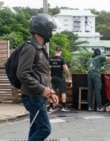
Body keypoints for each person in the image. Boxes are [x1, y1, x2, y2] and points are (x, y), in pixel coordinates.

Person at [17, 13, 59, 141]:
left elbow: (43, 73)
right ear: (43, 29)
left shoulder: (41, 49)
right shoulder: (30, 47)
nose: (51, 32)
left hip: (37, 95)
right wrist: (42, 90)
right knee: (44, 129)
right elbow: (22, 73)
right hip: (32, 96)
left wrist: (50, 91)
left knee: (35, 128)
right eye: (50, 29)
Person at [49, 46, 71, 112]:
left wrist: (48, 75)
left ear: (55, 51)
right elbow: (66, 69)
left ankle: (51, 107)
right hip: (60, 77)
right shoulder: (62, 59)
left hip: (53, 77)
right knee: (63, 92)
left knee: (52, 91)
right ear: (60, 52)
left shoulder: (50, 58)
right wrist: (68, 75)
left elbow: (46, 67)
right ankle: (63, 107)